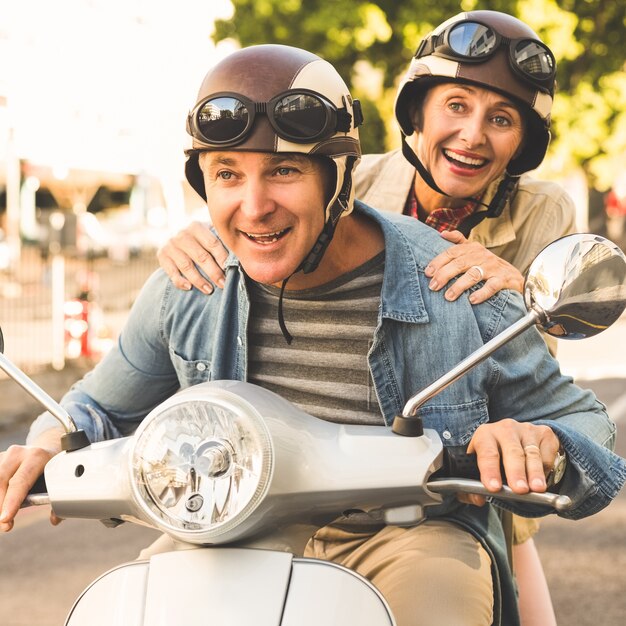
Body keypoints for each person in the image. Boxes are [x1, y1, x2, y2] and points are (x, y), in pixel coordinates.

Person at [1, 43, 624, 626]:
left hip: (407, 534)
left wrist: (540, 440)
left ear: (339, 180)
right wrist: (49, 443)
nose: (252, 206)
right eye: (226, 174)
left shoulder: (454, 284)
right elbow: (95, 407)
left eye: (284, 171)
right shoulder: (189, 283)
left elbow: (588, 428)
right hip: (231, 528)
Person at [155, 11, 576, 624]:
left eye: (502, 120)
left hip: (460, 465)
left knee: (505, 584)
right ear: (417, 116)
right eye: (455, 106)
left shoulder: (544, 210)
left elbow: (533, 378)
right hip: (294, 463)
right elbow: (266, 225)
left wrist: (517, 294)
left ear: (523, 144)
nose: (472, 136)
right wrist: (198, 245)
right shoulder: (355, 183)